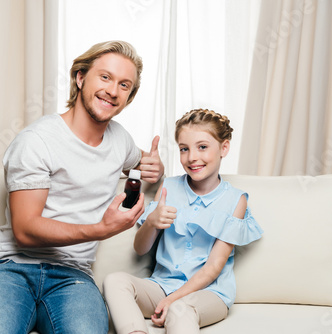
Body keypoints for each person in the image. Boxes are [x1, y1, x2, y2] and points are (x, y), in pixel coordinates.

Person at [0, 40, 164, 334]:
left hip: (74, 277)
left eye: (124, 85)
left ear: (129, 97)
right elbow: (25, 229)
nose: (112, 91)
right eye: (105, 77)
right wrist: (101, 229)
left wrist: (155, 167)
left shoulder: (120, 140)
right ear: (80, 77)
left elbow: (141, 163)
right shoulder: (37, 140)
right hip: (12, 269)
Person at [103, 108, 264, 334]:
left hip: (209, 293)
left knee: (181, 309)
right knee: (114, 280)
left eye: (203, 147)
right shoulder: (168, 187)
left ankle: (177, 304)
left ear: (224, 148)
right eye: (184, 149)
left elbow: (213, 268)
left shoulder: (236, 200)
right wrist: (151, 222)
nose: (192, 157)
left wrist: (172, 301)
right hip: (162, 285)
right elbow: (140, 249)